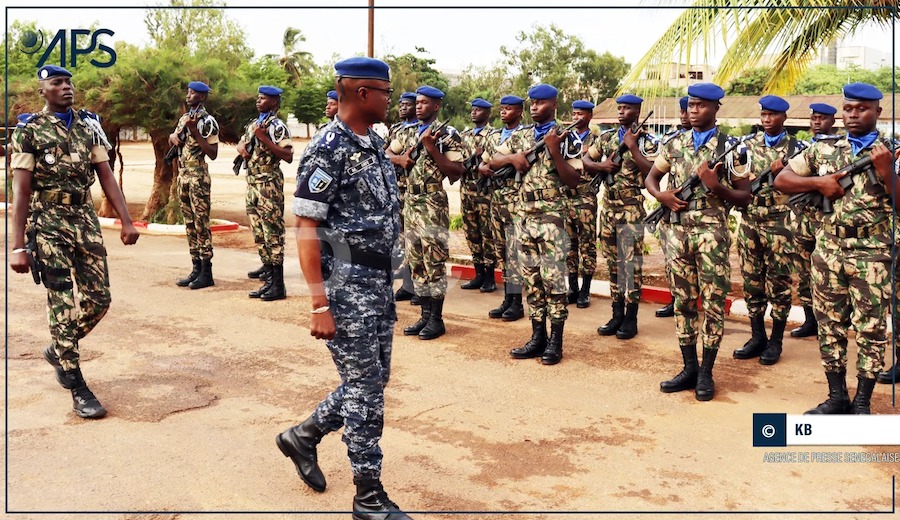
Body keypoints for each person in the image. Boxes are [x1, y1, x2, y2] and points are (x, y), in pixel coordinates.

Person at [276, 56, 412, 519]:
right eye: (384, 92)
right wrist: (319, 302)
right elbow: (307, 229)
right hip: (345, 284)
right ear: (360, 93)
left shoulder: (372, 143)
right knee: (365, 388)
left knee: (371, 382)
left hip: (375, 283)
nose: (390, 99)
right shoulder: (327, 149)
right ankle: (368, 495)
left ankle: (303, 436)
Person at [8, 65, 140, 418]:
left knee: (100, 299)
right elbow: (20, 192)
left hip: (84, 220)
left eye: (68, 82)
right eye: (57, 83)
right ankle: (76, 382)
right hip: (47, 223)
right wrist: (17, 245)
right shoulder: (29, 131)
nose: (66, 87)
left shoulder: (89, 125)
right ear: (43, 92)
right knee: (62, 303)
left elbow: (107, 176)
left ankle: (59, 348)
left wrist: (126, 220)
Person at [775, 83, 900, 415]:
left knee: (871, 329)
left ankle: (862, 401)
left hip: (872, 251)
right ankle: (836, 396)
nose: (853, 114)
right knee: (829, 324)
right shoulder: (824, 150)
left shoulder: (891, 152)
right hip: (828, 248)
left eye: (862, 108)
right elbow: (782, 180)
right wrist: (818, 182)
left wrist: (888, 174)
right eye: (848, 108)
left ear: (878, 112)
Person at [646, 83, 751, 401]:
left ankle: (706, 373)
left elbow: (745, 197)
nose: (693, 110)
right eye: (690, 104)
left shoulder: (734, 148)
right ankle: (688, 367)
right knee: (683, 304)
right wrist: (661, 195)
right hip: (677, 237)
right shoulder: (674, 142)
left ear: (716, 109)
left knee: (714, 306)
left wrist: (716, 187)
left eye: (701, 105)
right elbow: (651, 177)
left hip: (711, 240)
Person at [494, 84, 582, 365]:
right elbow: (491, 161)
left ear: (554, 105)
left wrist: (555, 153)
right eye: (532, 102)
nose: (534, 107)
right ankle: (537, 337)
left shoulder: (568, 140)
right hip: (524, 219)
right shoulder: (521, 135)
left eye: (541, 103)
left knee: (554, 282)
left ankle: (555, 342)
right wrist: (512, 158)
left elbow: (574, 180)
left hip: (551, 219)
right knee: (532, 282)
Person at [387, 85, 464, 341]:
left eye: (424, 103)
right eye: (417, 102)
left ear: (436, 106)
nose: (419, 106)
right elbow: (385, 153)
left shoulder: (447, 134)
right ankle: (424, 315)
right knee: (416, 259)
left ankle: (437, 319)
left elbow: (456, 172)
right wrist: (399, 160)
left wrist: (432, 148)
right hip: (411, 199)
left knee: (434, 259)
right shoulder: (407, 132)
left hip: (432, 200)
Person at [731, 95, 797, 365]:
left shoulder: (796, 148)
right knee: (751, 281)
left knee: (779, 283)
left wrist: (784, 172)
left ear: (784, 118)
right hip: (749, 220)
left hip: (778, 221)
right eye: (763, 115)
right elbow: (736, 177)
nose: (767, 120)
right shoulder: (746, 145)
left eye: (772, 115)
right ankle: (757, 336)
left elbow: (801, 183)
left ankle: (776, 341)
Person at [585, 94, 657, 339]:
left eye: (627, 108)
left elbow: (651, 174)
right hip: (609, 209)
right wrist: (601, 167)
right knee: (613, 264)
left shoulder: (647, 141)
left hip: (631, 208)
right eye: (620, 108)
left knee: (631, 265)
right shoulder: (606, 138)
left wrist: (633, 146)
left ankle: (631, 317)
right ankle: (616, 313)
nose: (621, 112)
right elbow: (586, 160)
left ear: (638, 111)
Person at [238, 86, 294, 301]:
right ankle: (268, 281)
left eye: (263, 99)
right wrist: (241, 147)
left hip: (268, 183)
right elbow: (244, 144)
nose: (258, 101)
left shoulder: (277, 126)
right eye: (258, 98)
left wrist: (264, 139)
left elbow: (287, 156)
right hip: (252, 182)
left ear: (274, 103)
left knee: (273, 232)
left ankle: (278, 285)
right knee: (259, 232)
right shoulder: (254, 124)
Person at [789, 102, 839, 338]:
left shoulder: (839, 149)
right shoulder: (804, 149)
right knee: (804, 274)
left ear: (833, 121)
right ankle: (810, 320)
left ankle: (827, 322)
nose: (817, 122)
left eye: (822, 118)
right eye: (814, 118)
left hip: (825, 222)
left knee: (826, 276)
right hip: (802, 221)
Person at [481, 95, 527, 322]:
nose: (503, 112)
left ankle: (517, 303)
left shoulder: (524, 136)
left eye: (508, 109)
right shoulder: (494, 136)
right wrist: (484, 168)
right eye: (502, 108)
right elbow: (485, 161)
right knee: (502, 251)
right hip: (496, 199)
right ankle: (508, 300)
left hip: (515, 201)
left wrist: (502, 161)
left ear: (519, 112)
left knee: (515, 252)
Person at [170, 80, 219, 289]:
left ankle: (207, 272)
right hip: (183, 175)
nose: (188, 96)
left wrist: (195, 131)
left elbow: (213, 153)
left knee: (201, 224)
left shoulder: (208, 122)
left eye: (193, 93)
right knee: (189, 224)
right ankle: (195, 268)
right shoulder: (184, 119)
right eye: (188, 92)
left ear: (203, 97)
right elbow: (174, 139)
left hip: (198, 175)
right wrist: (173, 137)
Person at [655, 96, 691, 319]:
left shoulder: (721, 144)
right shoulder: (672, 140)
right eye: (683, 111)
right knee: (671, 260)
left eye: (687, 111)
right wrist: (662, 197)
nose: (684, 115)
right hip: (671, 211)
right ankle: (674, 299)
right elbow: (655, 172)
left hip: (697, 213)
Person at [564, 100, 600, 309]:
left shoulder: (597, 139)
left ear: (589, 116)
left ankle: (585, 290)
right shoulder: (565, 137)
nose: (576, 117)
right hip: (567, 196)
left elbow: (601, 166)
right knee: (570, 245)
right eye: (574, 113)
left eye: (581, 114)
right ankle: (572, 288)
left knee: (587, 244)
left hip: (586, 198)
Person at [459, 98, 496, 292]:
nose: (474, 113)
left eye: (479, 110)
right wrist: (473, 157)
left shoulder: (493, 135)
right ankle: (478, 274)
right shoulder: (463, 135)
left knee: (487, 233)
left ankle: (489, 276)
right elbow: (458, 162)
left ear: (488, 114)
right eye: (472, 109)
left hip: (485, 192)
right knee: (471, 233)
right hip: (466, 191)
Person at [387, 92, 420, 304]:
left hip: (418, 192)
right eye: (401, 104)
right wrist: (399, 159)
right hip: (398, 190)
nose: (402, 108)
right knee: (402, 238)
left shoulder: (423, 131)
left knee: (419, 240)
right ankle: (408, 284)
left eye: (407, 104)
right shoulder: (398, 131)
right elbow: (385, 154)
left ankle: (420, 286)